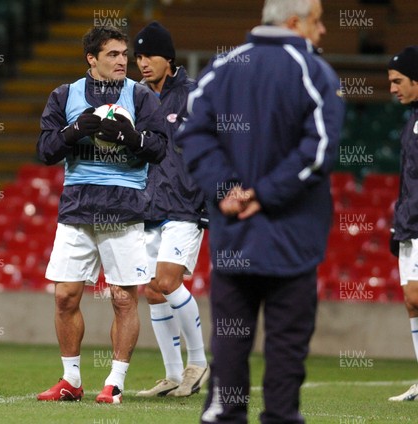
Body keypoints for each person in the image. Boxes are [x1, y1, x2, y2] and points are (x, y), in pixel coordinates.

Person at [176, 0, 345, 422]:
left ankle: (224, 414)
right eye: (317, 21)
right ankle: (281, 417)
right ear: (293, 23)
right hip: (293, 237)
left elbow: (191, 131)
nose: (322, 31)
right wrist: (264, 194)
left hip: (234, 239)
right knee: (287, 344)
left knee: (230, 340)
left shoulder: (222, 67)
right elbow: (320, 148)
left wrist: (227, 189)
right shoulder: (315, 73)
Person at [36, 25, 167, 404]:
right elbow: (45, 150)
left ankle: (115, 382)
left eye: (124, 54)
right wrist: (74, 130)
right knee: (64, 296)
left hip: (124, 207)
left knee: (123, 299)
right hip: (77, 206)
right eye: (112, 54)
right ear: (91, 59)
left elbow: (159, 148)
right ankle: (71, 380)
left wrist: (130, 137)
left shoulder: (140, 97)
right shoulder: (65, 95)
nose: (122, 60)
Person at [131, 21, 209, 398]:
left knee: (166, 281)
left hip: (186, 204)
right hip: (151, 205)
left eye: (150, 56)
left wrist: (210, 201)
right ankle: (174, 375)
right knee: (153, 292)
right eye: (139, 57)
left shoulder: (194, 96)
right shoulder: (139, 98)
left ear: (169, 58)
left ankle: (199, 361)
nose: (144, 63)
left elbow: (216, 150)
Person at [386, 45, 418, 402]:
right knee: (412, 304)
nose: (392, 88)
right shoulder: (412, 119)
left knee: (415, 295)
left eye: (398, 81)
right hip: (409, 225)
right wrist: (399, 225)